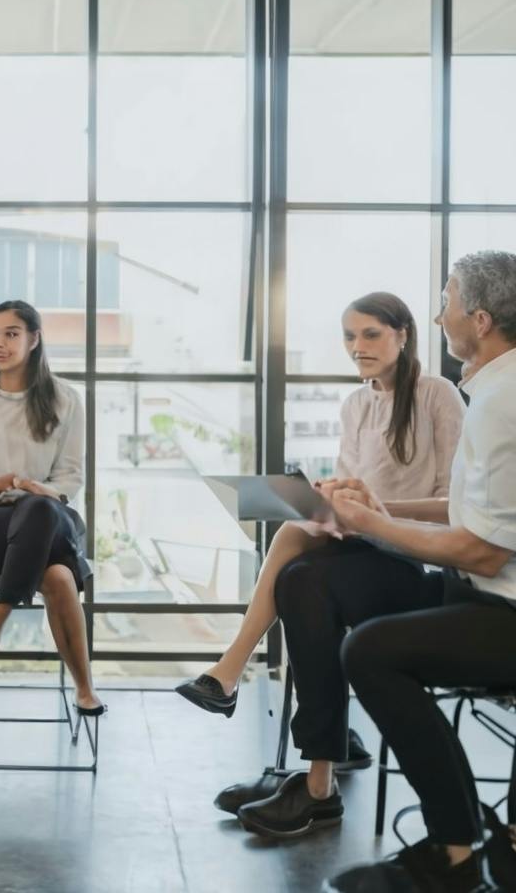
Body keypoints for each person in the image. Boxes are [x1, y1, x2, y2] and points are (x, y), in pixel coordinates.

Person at [176, 292, 464, 736]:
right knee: (296, 559)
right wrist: (331, 499)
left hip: (412, 556)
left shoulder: (437, 395)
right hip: (361, 546)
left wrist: (378, 511)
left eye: (371, 334)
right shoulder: (355, 405)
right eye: (349, 337)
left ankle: (234, 672)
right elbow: (353, 488)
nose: (357, 347)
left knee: (295, 565)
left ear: (403, 335)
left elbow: (456, 508)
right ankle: (318, 741)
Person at [322, 251, 516, 892]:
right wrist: (378, 507)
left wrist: (374, 524)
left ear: (479, 320)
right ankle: (317, 771)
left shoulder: (496, 404)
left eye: (446, 303)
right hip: (477, 591)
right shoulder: (492, 392)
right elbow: (471, 513)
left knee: (370, 651)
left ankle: (456, 851)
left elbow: (484, 552)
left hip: (501, 604)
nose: (440, 316)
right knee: (315, 577)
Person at [0, 299, 104, 716]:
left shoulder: (65, 400)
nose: (0, 343)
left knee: (42, 517)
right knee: (60, 570)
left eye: (11, 334)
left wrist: (34, 487)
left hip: (44, 518)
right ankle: (83, 685)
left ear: (34, 340)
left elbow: (70, 480)